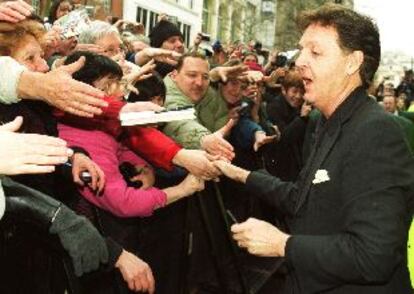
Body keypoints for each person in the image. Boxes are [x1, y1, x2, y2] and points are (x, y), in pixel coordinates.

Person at [213, 4, 414, 293]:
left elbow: (374, 255)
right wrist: (237, 173)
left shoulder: (377, 132)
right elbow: (301, 197)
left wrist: (282, 244)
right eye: (301, 50)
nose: (299, 61)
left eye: (315, 52)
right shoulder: (326, 122)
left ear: (352, 62)